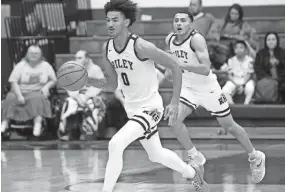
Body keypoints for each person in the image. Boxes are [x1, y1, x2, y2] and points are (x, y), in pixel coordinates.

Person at [87, 0, 208, 191]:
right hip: (133, 109)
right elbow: (111, 83)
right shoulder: (107, 48)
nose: (110, 24)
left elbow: (175, 67)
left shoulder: (141, 46)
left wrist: (174, 102)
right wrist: (88, 81)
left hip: (150, 108)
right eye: (108, 20)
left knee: (115, 144)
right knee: (155, 154)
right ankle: (193, 173)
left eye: (115, 20)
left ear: (126, 22)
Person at [164, 11, 266, 184]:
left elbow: (205, 68)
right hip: (188, 87)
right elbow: (171, 65)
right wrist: (170, 70)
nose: (179, 23)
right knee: (174, 120)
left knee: (229, 126)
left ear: (191, 24)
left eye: (183, 20)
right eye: (176, 20)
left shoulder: (197, 40)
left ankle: (255, 156)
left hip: (208, 88)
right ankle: (196, 157)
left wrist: (181, 64)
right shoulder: (170, 40)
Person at [1, 45, 57, 136]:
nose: (34, 55)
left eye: (36, 53)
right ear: (27, 54)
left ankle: (37, 125)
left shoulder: (46, 66)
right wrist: (19, 95)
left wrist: (46, 87)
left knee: (39, 98)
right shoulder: (21, 65)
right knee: (10, 98)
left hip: (37, 92)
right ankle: (4, 123)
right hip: (20, 91)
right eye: (31, 53)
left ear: (40, 55)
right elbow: (13, 81)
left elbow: (53, 80)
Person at [58, 50, 106, 140]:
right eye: (76, 58)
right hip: (77, 96)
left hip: (92, 96)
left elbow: (99, 86)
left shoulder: (95, 69)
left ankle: (89, 132)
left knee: (92, 104)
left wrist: (87, 96)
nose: (77, 60)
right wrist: (77, 97)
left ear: (87, 59)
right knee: (69, 103)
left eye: (80, 58)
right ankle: (67, 132)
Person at [207, 3, 258, 69]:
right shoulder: (222, 23)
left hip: (233, 48)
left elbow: (252, 37)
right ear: (229, 13)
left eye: (236, 14)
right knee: (209, 47)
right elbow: (211, 34)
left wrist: (240, 37)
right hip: (220, 45)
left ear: (240, 15)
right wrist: (218, 36)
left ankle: (224, 67)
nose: (233, 15)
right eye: (232, 13)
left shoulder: (244, 25)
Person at [220, 40, 255, 105]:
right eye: (237, 47)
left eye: (241, 47)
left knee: (250, 88)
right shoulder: (231, 60)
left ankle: (246, 104)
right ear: (234, 49)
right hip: (234, 80)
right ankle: (232, 105)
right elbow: (229, 76)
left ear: (245, 50)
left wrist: (243, 85)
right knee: (225, 90)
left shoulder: (250, 60)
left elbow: (249, 75)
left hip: (245, 80)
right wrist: (236, 85)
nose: (239, 49)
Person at [254, 32, 285, 104]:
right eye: (269, 40)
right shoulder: (260, 54)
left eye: (273, 39)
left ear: (277, 41)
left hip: (281, 80)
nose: (271, 42)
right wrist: (271, 80)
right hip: (267, 81)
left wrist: (279, 63)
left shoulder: (282, 53)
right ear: (266, 41)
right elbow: (258, 69)